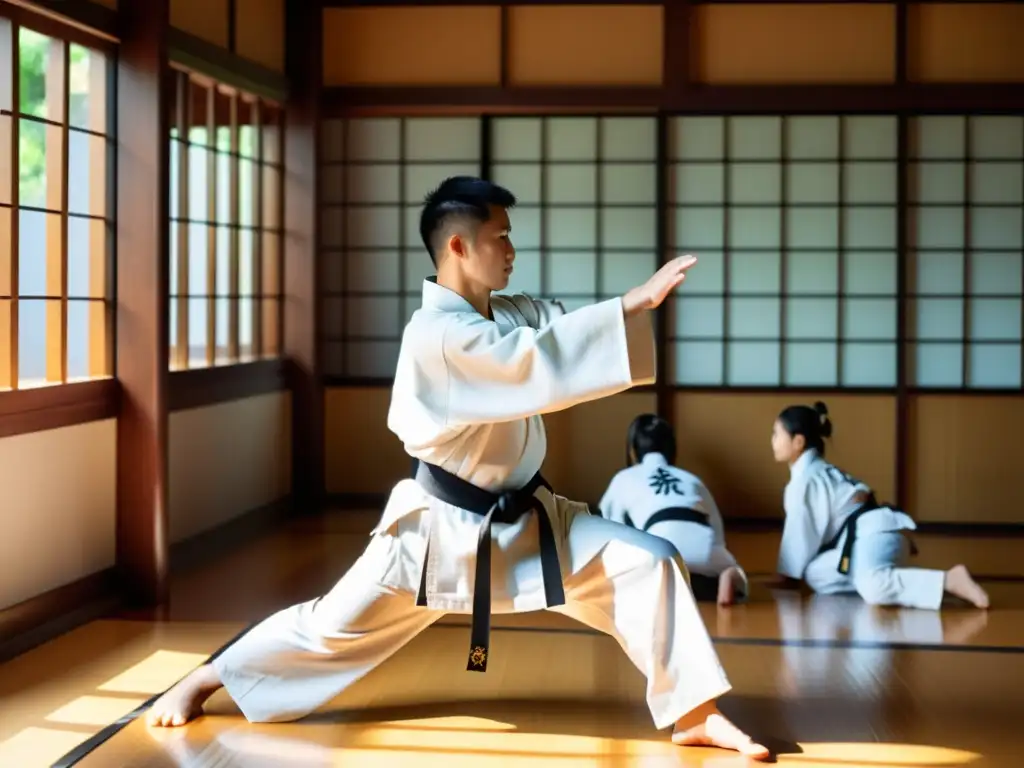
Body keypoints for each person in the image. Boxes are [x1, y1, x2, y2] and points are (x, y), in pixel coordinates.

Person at [146, 176, 770, 760]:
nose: (511, 250)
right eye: (500, 237)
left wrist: (624, 311)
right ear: (458, 246)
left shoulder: (504, 312)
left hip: (530, 524)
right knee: (329, 629)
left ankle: (694, 709)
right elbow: (531, 359)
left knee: (649, 560)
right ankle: (205, 679)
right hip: (438, 537)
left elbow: (554, 328)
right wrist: (628, 304)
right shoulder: (436, 336)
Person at [770, 401, 989, 610]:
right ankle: (909, 584)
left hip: (874, 538)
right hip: (873, 544)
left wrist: (787, 576)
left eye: (776, 434)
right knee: (815, 574)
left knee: (873, 589)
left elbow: (801, 531)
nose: (773, 441)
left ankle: (949, 580)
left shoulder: (807, 480)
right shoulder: (821, 472)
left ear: (798, 442)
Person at [599, 414, 748, 605]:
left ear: (633, 452)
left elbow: (612, 528)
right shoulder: (692, 479)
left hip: (659, 550)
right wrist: (718, 553)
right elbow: (716, 529)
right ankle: (727, 575)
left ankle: (659, 581)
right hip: (706, 550)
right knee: (734, 571)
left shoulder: (623, 478)